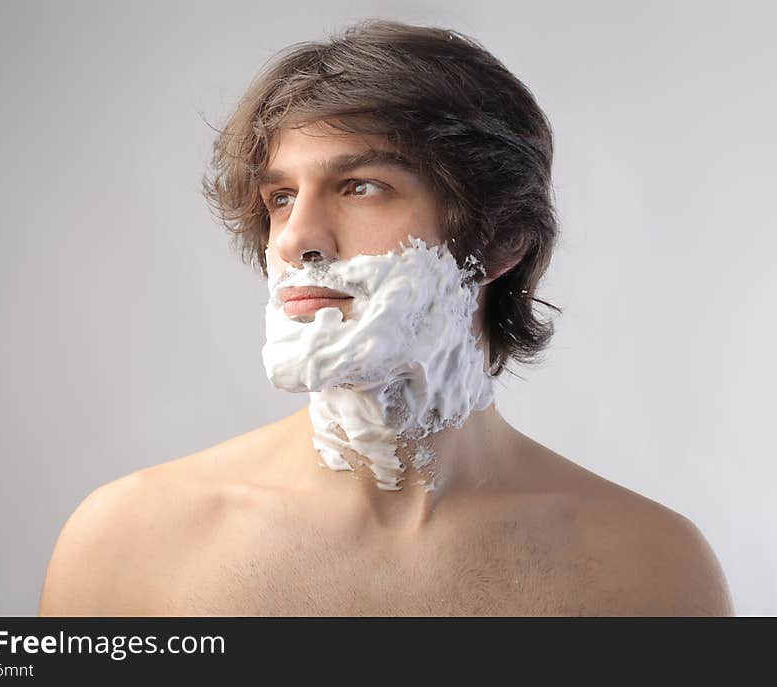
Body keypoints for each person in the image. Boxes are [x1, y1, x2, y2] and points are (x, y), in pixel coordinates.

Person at [39, 19, 734, 616]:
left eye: (361, 186)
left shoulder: (651, 570)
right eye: (281, 197)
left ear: (497, 242)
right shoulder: (128, 545)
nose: (296, 237)